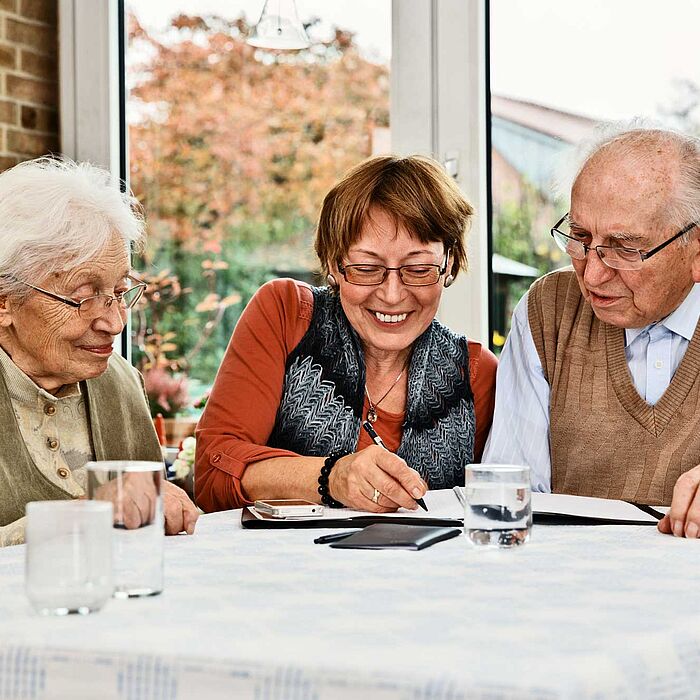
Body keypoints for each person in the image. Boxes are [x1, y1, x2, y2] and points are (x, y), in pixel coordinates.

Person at [196, 155, 497, 513]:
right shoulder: (286, 314)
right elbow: (213, 477)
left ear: (448, 264)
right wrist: (332, 477)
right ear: (334, 264)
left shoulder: (476, 375)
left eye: (418, 269)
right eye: (366, 268)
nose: (391, 294)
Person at [483, 127, 700, 537]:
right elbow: (506, 499)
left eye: (625, 248)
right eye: (580, 237)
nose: (593, 273)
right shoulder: (548, 309)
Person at [0, 157, 199, 546]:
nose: (115, 323)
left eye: (120, 292)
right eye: (83, 297)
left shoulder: (119, 382)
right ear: (4, 302)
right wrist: (82, 514)